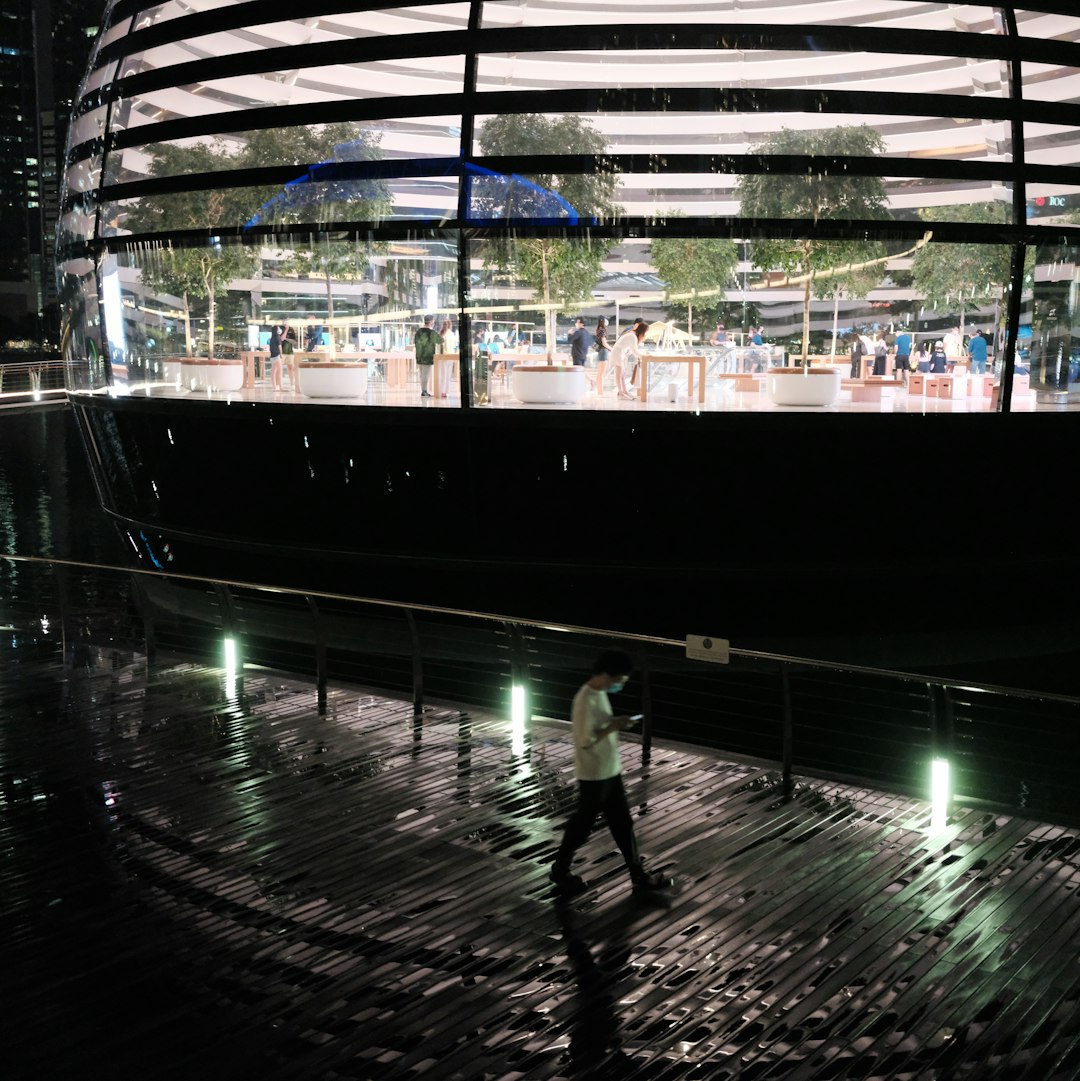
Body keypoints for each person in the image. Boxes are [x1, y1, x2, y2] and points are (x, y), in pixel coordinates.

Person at [550, 649, 670, 896]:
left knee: (622, 824)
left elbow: (599, 728)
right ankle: (560, 869)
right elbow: (585, 739)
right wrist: (615, 725)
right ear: (606, 675)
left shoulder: (599, 694)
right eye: (620, 681)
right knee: (582, 826)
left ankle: (637, 874)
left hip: (609, 772)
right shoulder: (585, 700)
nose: (620, 685)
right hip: (594, 775)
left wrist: (616, 723)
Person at [610, 322, 646, 400]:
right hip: (618, 352)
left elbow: (633, 350)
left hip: (620, 352)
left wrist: (640, 356)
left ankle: (624, 391)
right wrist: (643, 356)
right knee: (619, 374)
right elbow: (635, 351)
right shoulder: (633, 336)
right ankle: (621, 392)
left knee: (622, 374)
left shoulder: (632, 334)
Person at [413, 315, 443, 397]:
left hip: (419, 356)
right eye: (433, 321)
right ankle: (424, 391)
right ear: (431, 322)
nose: (433, 323)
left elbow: (415, 342)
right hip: (427, 357)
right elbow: (441, 340)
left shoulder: (418, 332)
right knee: (425, 375)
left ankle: (424, 390)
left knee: (422, 374)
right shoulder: (431, 332)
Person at [436, 319, 458, 397]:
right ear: (450, 325)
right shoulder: (452, 334)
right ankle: (445, 392)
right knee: (448, 375)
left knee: (443, 374)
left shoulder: (441, 334)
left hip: (443, 357)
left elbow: (438, 346)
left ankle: (442, 391)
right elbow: (454, 346)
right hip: (450, 356)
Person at [268, 319, 290, 391]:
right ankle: (281, 387)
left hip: (272, 356)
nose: (279, 329)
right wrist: (281, 355)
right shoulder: (278, 338)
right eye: (278, 328)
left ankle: (274, 387)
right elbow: (280, 347)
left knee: (273, 372)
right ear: (276, 330)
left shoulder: (272, 338)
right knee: (280, 371)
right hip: (277, 356)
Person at [593, 317, 611, 396]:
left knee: (599, 374)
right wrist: (612, 349)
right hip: (604, 352)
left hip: (601, 352)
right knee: (601, 374)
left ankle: (599, 392)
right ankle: (601, 393)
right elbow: (604, 343)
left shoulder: (598, 330)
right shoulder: (602, 330)